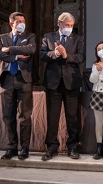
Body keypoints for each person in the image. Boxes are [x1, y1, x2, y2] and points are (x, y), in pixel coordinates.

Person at [40, 12, 84, 161]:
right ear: (59, 24)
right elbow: (42, 54)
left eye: (72, 26)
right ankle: (52, 147)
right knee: (52, 117)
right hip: (53, 83)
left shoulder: (78, 38)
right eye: (67, 25)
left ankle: (72, 146)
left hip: (71, 82)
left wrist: (66, 56)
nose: (69, 28)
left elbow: (80, 57)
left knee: (72, 116)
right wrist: (55, 54)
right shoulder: (48, 37)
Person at [0, 11, 36, 160]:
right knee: (8, 116)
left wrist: (9, 49)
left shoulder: (29, 37)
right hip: (6, 80)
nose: (22, 24)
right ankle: (11, 147)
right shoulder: (2, 37)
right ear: (12, 23)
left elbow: (30, 49)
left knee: (25, 115)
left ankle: (25, 148)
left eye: (23, 21)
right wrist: (17, 56)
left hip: (23, 79)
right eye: (19, 21)